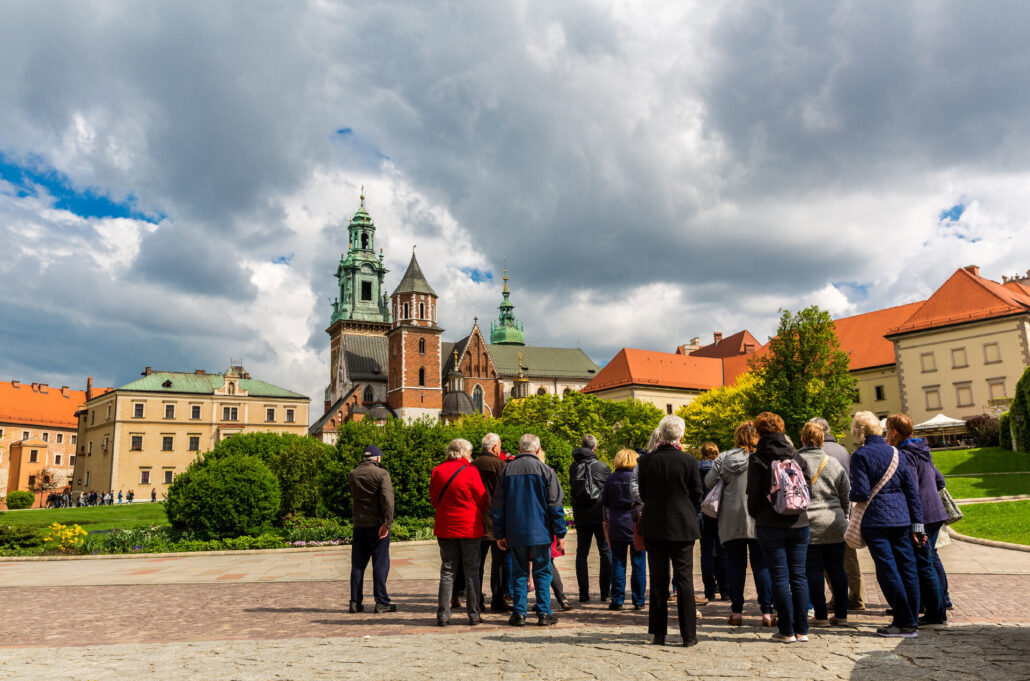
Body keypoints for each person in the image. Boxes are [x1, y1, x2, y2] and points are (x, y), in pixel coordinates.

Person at [849, 411, 924, 638]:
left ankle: (903, 622)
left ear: (859, 431)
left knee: (887, 570)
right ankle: (911, 619)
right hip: (901, 518)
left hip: (876, 521)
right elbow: (911, 491)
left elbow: (861, 493)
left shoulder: (860, 455)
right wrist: (917, 523)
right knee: (907, 568)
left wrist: (849, 492)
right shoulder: (896, 453)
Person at [637, 415, 702, 647]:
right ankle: (688, 635)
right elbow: (697, 494)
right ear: (681, 437)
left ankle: (658, 633)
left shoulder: (645, 462)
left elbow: (643, 494)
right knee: (684, 580)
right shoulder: (688, 461)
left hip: (654, 525)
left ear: (661, 435)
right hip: (682, 525)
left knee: (657, 579)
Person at [747, 412, 811, 644]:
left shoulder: (757, 459)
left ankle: (786, 631)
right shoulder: (797, 457)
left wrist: (760, 515)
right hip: (799, 522)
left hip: (770, 524)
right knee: (799, 576)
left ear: (759, 432)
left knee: (780, 578)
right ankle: (802, 629)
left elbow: (752, 497)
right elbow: (808, 491)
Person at [492, 433, 567, 627]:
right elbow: (555, 505)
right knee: (543, 571)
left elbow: (498, 505)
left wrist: (499, 533)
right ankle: (543, 612)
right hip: (541, 531)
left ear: (519, 449)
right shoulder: (546, 470)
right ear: (538, 450)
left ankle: (519, 613)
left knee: (519, 572)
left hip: (515, 531)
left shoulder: (507, 471)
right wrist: (560, 533)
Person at [886, 414, 949, 628]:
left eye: (887, 430)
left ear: (894, 432)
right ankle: (938, 606)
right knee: (929, 560)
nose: (886, 434)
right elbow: (939, 480)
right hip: (935, 512)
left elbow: (910, 486)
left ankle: (936, 614)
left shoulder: (905, 454)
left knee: (923, 563)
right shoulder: (922, 449)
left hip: (922, 515)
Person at [796, 422, 851, 627]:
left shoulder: (796, 461)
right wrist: (843, 515)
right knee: (838, 570)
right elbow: (846, 494)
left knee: (813, 571)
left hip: (808, 522)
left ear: (802, 439)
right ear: (822, 440)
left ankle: (820, 615)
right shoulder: (834, 463)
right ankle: (842, 614)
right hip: (835, 522)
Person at [808, 417, 866, 611]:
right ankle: (856, 598)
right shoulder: (842, 451)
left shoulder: (813, 454)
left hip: (816, 517)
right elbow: (847, 485)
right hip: (841, 514)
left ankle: (836, 598)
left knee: (825, 565)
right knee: (849, 561)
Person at [431, 438, 489, 626]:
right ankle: (473, 614)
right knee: (472, 570)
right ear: (464, 453)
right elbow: (482, 498)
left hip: (446, 526)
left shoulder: (437, 471)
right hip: (469, 528)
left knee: (447, 570)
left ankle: (443, 615)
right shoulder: (471, 472)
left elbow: (434, 500)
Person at [348, 444, 396, 614]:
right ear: (377, 458)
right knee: (380, 564)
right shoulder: (381, 474)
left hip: (359, 524)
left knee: (357, 565)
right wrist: (387, 524)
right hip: (377, 525)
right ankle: (381, 602)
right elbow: (387, 500)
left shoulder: (353, 474)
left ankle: (355, 602)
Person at [568, 434, 612, 603]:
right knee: (605, 552)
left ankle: (583, 593)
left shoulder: (573, 466)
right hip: (599, 514)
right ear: (595, 448)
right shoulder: (602, 467)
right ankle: (605, 592)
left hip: (581, 516)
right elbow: (608, 493)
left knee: (581, 553)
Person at [602, 448, 646, 611]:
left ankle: (617, 599)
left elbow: (605, 501)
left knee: (618, 562)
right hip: (635, 521)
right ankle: (639, 600)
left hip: (617, 522)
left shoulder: (611, 479)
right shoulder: (638, 478)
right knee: (639, 562)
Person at [471, 432, 510, 612]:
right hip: (497, 521)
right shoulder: (501, 465)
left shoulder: (472, 465)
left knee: (477, 564)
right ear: (494, 447)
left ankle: (477, 600)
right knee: (499, 564)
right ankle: (497, 599)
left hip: (476, 520)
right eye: (499, 446)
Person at [696, 442, 728, 603]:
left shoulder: (696, 467)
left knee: (706, 552)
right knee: (722, 550)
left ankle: (709, 590)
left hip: (703, 511)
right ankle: (725, 589)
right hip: (720, 511)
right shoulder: (721, 468)